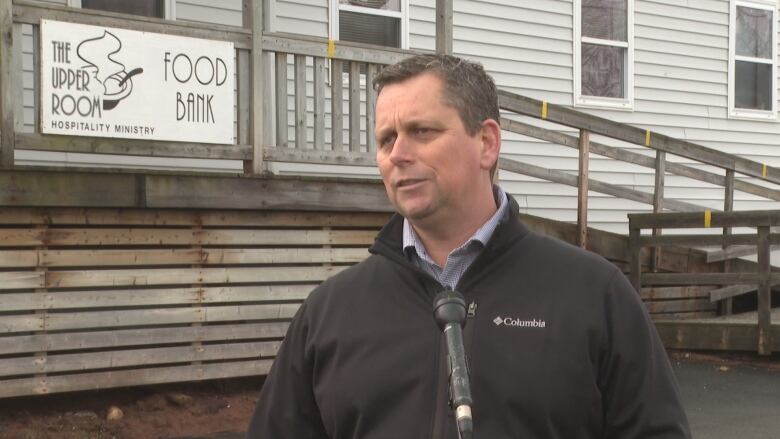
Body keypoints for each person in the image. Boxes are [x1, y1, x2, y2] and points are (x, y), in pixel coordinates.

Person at [247, 54, 691, 438]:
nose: (398, 154)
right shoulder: (331, 312)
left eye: (421, 131)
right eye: (386, 139)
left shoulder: (594, 294)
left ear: (487, 143)